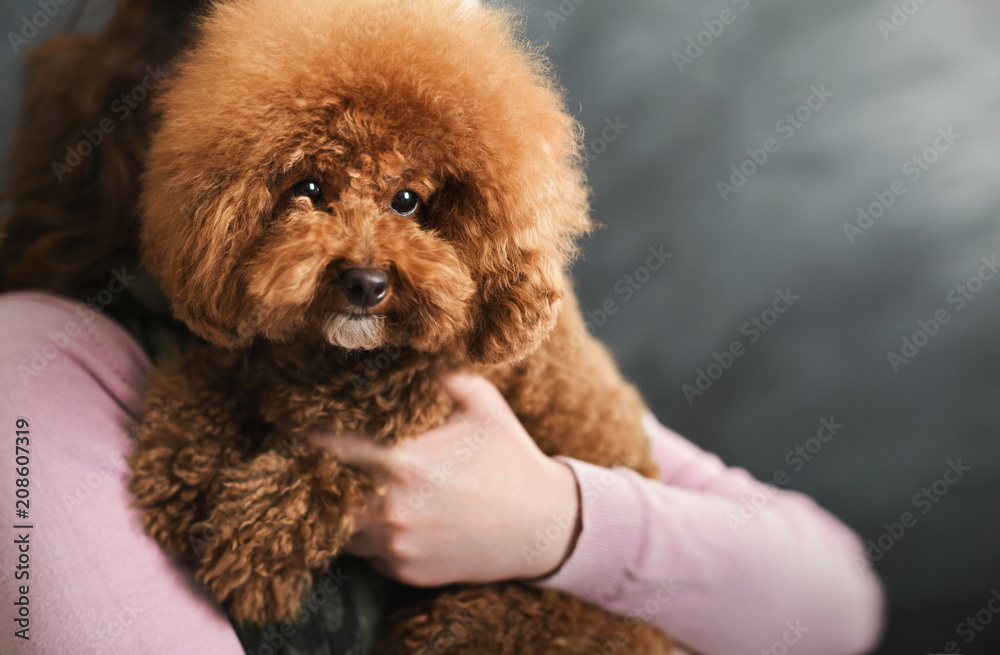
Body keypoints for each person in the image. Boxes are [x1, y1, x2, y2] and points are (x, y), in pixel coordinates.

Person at [0, 2, 883, 653]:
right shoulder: (36, 366)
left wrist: (555, 524)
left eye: (414, 199)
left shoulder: (485, 339)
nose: (368, 259)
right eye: (308, 188)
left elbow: (833, 604)